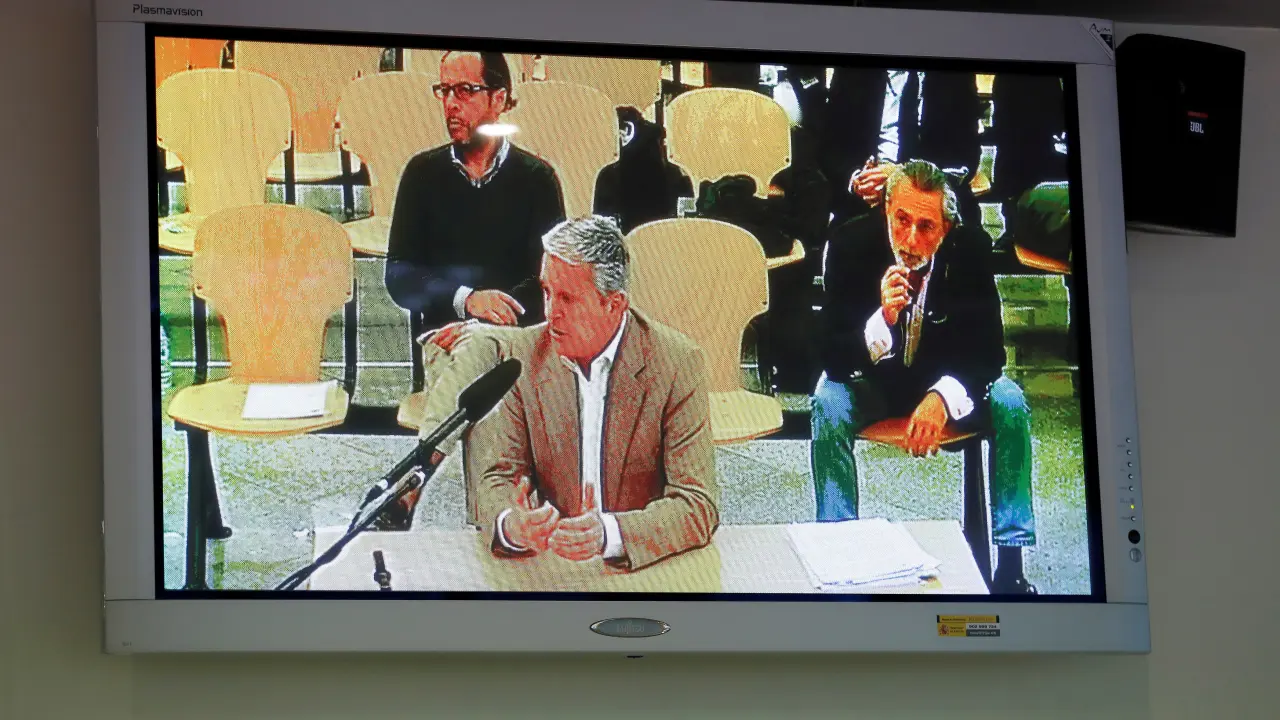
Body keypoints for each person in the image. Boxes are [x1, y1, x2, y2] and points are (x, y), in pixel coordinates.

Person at [402, 216, 720, 570]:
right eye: (547, 292)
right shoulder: (524, 357)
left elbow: (697, 505)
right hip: (554, 567)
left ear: (614, 304)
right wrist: (512, 525)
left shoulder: (677, 363)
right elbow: (497, 480)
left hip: (646, 567)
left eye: (568, 298)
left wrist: (610, 533)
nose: (551, 312)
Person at [812, 159, 1038, 594]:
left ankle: (1011, 566)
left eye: (926, 227)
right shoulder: (848, 243)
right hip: (875, 383)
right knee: (828, 401)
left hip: (945, 384)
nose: (911, 240)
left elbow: (989, 353)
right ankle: (839, 549)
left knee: (1010, 401)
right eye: (901, 220)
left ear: (946, 229)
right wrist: (882, 319)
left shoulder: (971, 250)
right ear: (886, 210)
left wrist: (942, 397)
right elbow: (831, 357)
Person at [384, 50, 565, 330]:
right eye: (445, 91)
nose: (450, 104)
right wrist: (467, 300)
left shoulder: (538, 178)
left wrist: (493, 315)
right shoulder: (421, 173)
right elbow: (399, 275)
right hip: (447, 335)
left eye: (465, 90)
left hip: (515, 333)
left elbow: (550, 277)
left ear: (499, 99)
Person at [823, 67, 983, 225]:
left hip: (933, 202)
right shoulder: (854, 72)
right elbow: (831, 146)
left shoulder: (955, 78)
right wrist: (858, 180)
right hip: (865, 202)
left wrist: (902, 177)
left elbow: (964, 159)